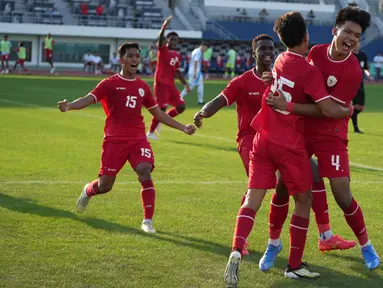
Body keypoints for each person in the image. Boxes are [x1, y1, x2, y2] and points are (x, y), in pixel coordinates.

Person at [223, 12, 355, 286]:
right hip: (289, 144)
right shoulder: (308, 70)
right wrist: (346, 109)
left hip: (262, 139)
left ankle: (237, 248)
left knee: (252, 199)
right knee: (304, 200)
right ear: (306, 37)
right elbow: (326, 108)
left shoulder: (280, 60)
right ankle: (294, 265)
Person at [266, 6, 379, 271]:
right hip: (303, 131)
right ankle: (274, 243)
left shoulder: (352, 71)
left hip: (331, 133)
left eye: (357, 36)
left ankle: (366, 245)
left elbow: (327, 112)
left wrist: (288, 106)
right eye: (347, 31)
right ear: (335, 31)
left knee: (342, 193)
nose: (351, 39)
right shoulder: (314, 53)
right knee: (283, 184)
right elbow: (298, 81)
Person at [57, 42, 196, 233]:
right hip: (114, 140)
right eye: (130, 56)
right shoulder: (109, 84)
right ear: (122, 59)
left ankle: (147, 222)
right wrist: (70, 106)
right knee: (105, 186)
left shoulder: (142, 87)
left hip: (138, 139)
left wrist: (183, 127)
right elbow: (88, 99)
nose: (134, 60)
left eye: (137, 56)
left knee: (145, 170)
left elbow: (158, 113)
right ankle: (88, 190)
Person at [193, 34, 274, 255]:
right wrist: (203, 112)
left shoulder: (279, 79)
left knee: (282, 186)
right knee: (257, 185)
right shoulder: (242, 81)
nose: (268, 52)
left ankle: (323, 233)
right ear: (253, 53)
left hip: (275, 140)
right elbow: (220, 99)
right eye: (263, 48)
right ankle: (241, 241)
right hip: (249, 139)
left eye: (271, 48)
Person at [147, 16, 190, 140]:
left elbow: (177, 72)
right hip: (161, 83)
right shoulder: (162, 49)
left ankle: (161, 120)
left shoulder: (177, 55)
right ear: (167, 40)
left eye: (176, 40)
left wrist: (185, 84)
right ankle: (150, 132)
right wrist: (164, 26)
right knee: (162, 107)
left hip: (171, 85)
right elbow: (160, 38)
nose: (174, 42)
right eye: (171, 39)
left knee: (181, 107)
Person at [352, 41, 370, 133]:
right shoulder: (349, 55)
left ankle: (345, 115)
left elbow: (366, 67)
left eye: (357, 43)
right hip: (351, 84)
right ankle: (356, 128)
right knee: (355, 106)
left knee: (361, 107)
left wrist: (368, 74)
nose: (356, 44)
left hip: (361, 84)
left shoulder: (363, 55)